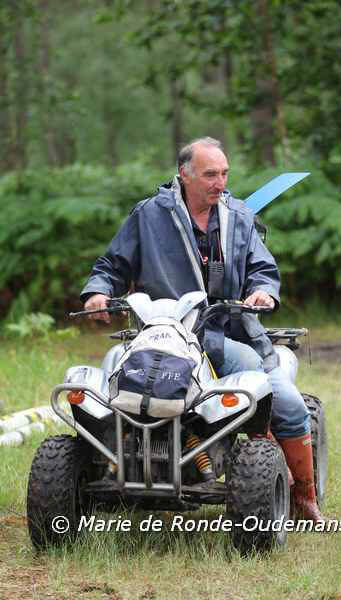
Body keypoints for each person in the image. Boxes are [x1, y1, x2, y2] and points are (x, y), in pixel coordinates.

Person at [81, 136, 326, 524]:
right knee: (103, 400)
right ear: (185, 174)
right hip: (165, 339)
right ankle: (107, 468)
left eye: (225, 173)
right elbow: (111, 266)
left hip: (232, 336)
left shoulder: (238, 215)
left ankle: (304, 496)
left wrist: (263, 291)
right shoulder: (149, 216)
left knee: (291, 406)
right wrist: (97, 292)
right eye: (211, 175)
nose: (221, 183)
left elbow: (262, 268)